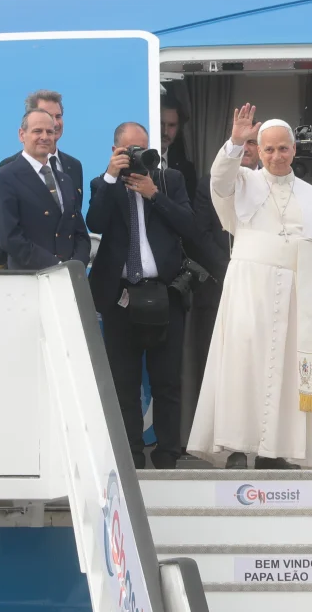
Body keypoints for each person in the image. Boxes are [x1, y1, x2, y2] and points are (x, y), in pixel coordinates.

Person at [186, 104, 312, 470]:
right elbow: (219, 179)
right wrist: (235, 141)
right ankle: (236, 446)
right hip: (248, 289)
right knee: (242, 364)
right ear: (258, 152)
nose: (277, 156)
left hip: (294, 295)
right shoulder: (243, 182)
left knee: (287, 370)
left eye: (283, 148)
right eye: (269, 149)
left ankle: (275, 450)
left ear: (294, 149)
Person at [86, 121, 196, 470]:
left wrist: (154, 195)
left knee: (167, 380)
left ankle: (168, 453)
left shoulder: (169, 180)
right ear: (115, 151)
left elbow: (188, 225)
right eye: (130, 150)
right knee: (124, 381)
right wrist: (110, 177)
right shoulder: (103, 184)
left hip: (166, 292)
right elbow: (95, 223)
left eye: (143, 148)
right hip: (120, 296)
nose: (137, 156)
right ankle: (131, 455)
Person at [184, 132, 261, 389]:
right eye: (241, 143)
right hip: (217, 287)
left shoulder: (272, 185)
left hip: (260, 290)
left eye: (253, 143)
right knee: (213, 368)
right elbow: (199, 234)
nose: (246, 149)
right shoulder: (209, 183)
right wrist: (232, 270)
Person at [0, 90, 85, 269]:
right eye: (38, 131)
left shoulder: (67, 176)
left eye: (49, 131)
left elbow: (77, 229)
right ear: (22, 134)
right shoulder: (5, 174)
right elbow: (5, 233)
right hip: (30, 275)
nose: (45, 136)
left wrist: (76, 265)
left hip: (67, 276)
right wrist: (56, 266)